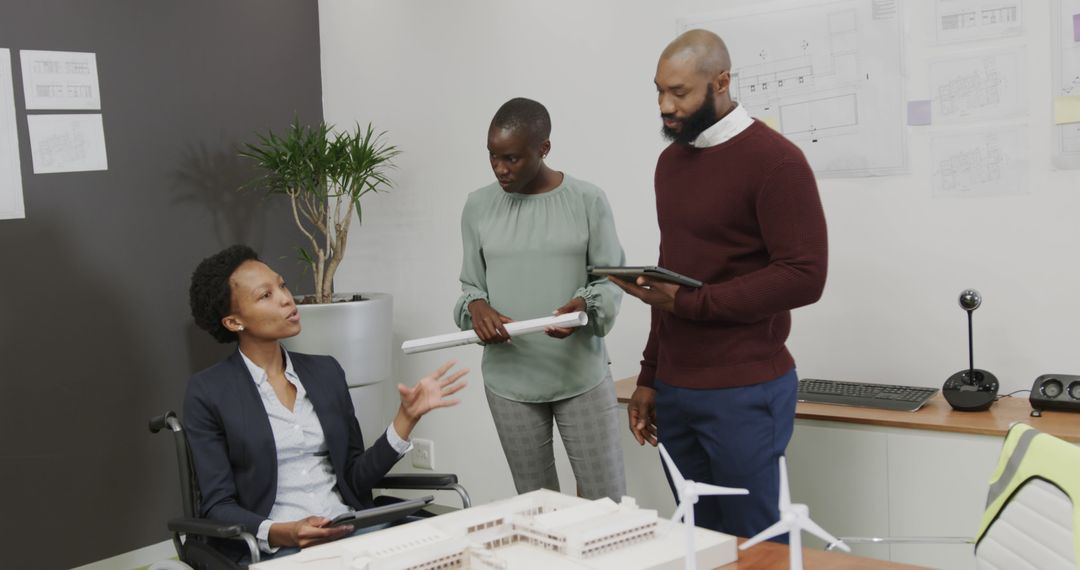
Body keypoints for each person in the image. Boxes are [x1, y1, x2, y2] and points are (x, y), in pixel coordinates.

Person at [610, 30, 828, 539]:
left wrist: (693, 302)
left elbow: (805, 275)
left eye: (679, 93)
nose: (665, 106)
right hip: (676, 389)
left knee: (761, 540)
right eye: (659, 91)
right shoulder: (671, 164)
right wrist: (649, 375)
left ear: (722, 82)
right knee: (699, 540)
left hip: (745, 390)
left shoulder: (777, 162)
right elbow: (672, 272)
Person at [185, 245, 467, 562]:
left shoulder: (325, 372)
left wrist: (406, 417)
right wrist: (284, 531)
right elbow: (217, 505)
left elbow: (355, 477)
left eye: (282, 285)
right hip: (279, 550)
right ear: (234, 322)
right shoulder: (209, 392)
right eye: (265, 296)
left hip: (353, 533)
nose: (286, 299)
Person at [453, 97, 626, 501]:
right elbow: (470, 288)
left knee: (606, 503)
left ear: (543, 148)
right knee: (538, 508)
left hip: (579, 375)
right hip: (509, 380)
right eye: (493, 157)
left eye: (511, 158)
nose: (500, 168)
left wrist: (584, 306)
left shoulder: (588, 200)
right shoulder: (477, 206)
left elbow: (610, 281)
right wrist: (477, 308)